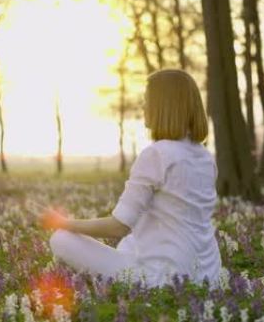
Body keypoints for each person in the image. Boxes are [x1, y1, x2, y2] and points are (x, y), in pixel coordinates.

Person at [39, 69, 222, 288]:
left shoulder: (156, 154)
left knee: (61, 238)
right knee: (131, 240)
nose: (143, 107)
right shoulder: (205, 157)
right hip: (209, 275)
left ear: (162, 106)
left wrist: (64, 222)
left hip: (163, 278)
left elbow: (118, 227)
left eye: (147, 101)